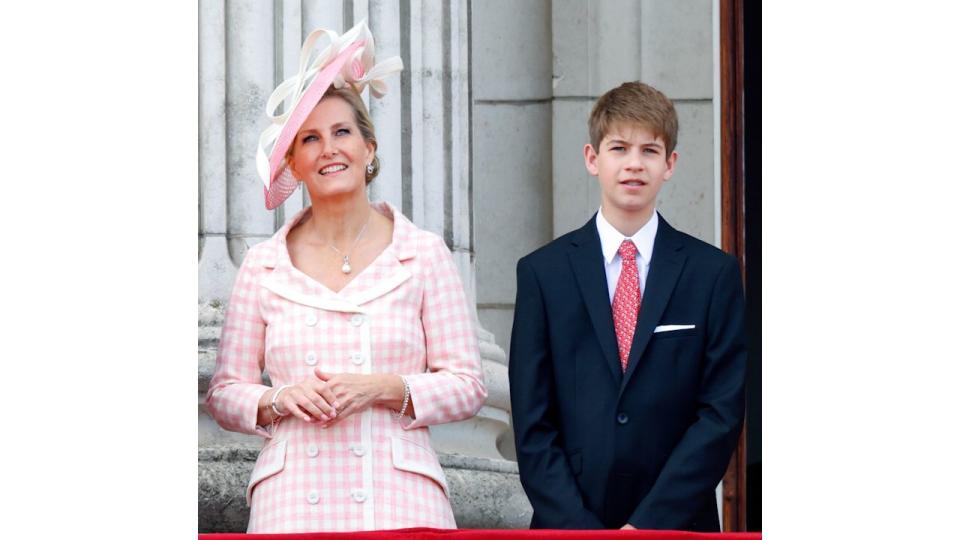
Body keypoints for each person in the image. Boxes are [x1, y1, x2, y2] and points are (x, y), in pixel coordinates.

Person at [206, 22, 486, 533]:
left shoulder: (422, 253)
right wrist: (277, 398)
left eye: (342, 132)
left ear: (369, 147)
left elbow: (468, 385)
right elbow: (225, 392)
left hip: (400, 498)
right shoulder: (263, 264)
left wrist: (382, 387)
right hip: (291, 501)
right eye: (309, 139)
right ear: (294, 162)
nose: (328, 149)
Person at [508, 81, 746, 531]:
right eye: (619, 148)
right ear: (592, 158)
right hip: (570, 523)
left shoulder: (712, 275)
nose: (634, 164)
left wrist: (650, 525)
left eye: (650, 151)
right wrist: (581, 529)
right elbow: (532, 420)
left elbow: (720, 414)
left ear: (669, 164)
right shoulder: (543, 274)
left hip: (677, 522)